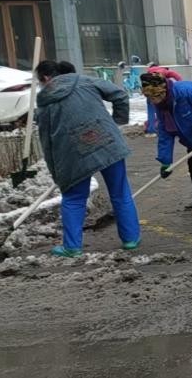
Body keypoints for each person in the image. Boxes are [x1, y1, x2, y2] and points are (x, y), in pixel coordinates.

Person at [35, 60, 141, 257]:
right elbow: (119, 95)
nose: (41, 85)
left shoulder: (45, 100)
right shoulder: (85, 81)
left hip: (73, 154)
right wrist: (117, 122)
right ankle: (130, 239)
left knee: (73, 197)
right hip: (106, 141)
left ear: (46, 78)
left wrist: (56, 172)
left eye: (39, 81)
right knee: (120, 192)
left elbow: (46, 141)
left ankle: (72, 247)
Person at [140, 73, 192, 218]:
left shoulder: (188, 91)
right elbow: (165, 132)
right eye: (150, 98)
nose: (153, 101)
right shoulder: (160, 105)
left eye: (155, 97)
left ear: (162, 91)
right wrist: (165, 161)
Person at [144, 66, 182, 137]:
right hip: (158, 95)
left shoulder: (150, 71)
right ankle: (170, 127)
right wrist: (180, 85)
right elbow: (177, 76)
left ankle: (151, 130)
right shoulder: (165, 71)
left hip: (150, 94)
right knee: (164, 112)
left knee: (151, 112)